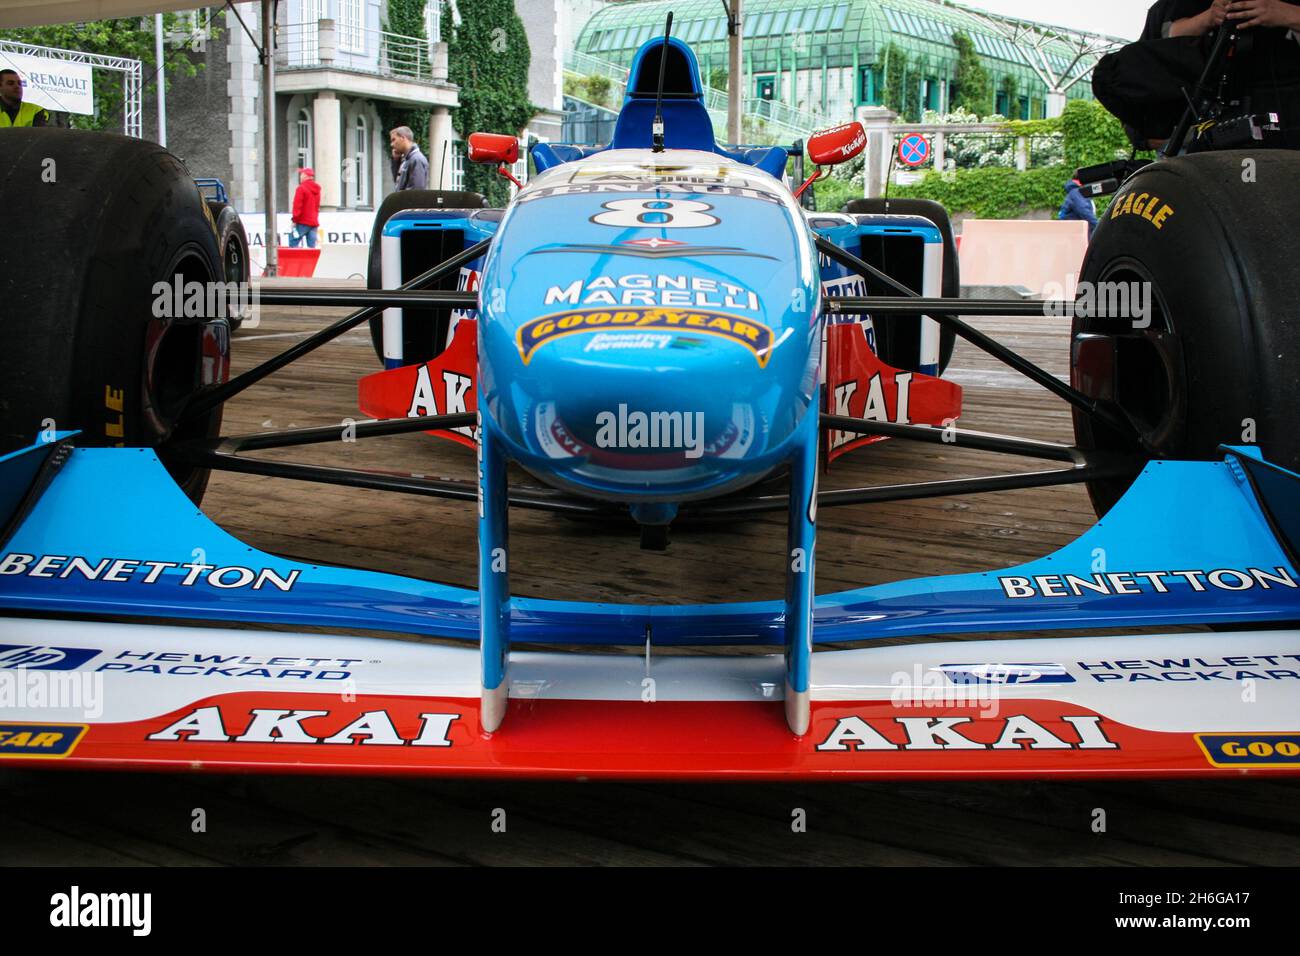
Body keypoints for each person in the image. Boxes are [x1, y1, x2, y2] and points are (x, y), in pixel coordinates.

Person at [289, 167, 321, 248]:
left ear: (305, 176)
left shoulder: (301, 188)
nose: (300, 176)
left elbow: (297, 205)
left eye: (301, 174)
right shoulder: (317, 189)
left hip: (302, 221)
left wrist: (294, 220)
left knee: (293, 243)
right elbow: (317, 206)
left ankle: (293, 261)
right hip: (313, 222)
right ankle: (310, 261)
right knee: (312, 248)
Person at [389, 126, 428, 190]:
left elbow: (415, 192)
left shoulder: (416, 159)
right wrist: (396, 161)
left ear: (403, 138)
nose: (392, 144)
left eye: (394, 140)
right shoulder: (407, 159)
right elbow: (398, 184)